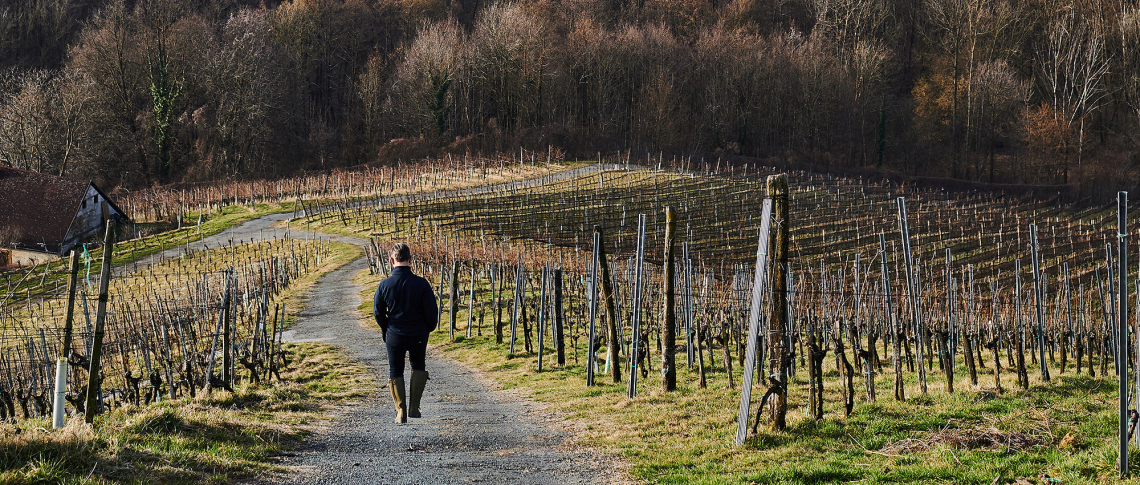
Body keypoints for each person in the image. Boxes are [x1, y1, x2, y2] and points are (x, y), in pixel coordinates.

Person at [373, 242, 437, 423]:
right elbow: (432, 312)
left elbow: (378, 312)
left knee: (395, 369)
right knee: (418, 366)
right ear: (410, 259)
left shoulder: (384, 285)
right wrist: (427, 329)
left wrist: (387, 328)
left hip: (394, 334)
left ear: (391, 260)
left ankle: (400, 412)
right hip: (418, 334)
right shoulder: (422, 284)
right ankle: (415, 407)